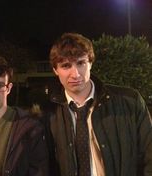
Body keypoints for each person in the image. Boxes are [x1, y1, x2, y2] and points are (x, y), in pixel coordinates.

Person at [44, 32, 152, 176]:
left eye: (81, 63)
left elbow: (149, 154)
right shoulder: (49, 113)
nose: (75, 74)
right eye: (66, 65)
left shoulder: (129, 100)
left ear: (91, 63)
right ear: (55, 70)